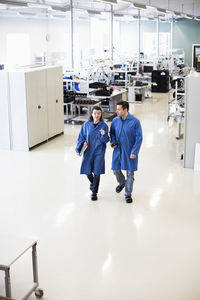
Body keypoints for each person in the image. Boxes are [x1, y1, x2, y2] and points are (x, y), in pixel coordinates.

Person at [110, 101, 143, 203]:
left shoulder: (135, 121)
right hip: (118, 150)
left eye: (119, 109)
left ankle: (128, 194)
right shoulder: (115, 121)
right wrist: (113, 142)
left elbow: (139, 138)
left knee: (130, 174)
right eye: (117, 109)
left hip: (130, 151)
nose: (117, 111)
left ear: (125, 110)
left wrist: (134, 151)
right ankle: (121, 183)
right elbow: (112, 133)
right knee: (115, 170)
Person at [75, 106, 109, 201]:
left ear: (101, 114)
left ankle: (94, 192)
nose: (97, 115)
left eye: (99, 113)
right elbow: (81, 137)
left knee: (97, 172)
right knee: (87, 171)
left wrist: (103, 135)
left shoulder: (104, 126)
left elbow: (106, 140)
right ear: (91, 114)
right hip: (88, 151)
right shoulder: (86, 125)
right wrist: (78, 149)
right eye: (95, 113)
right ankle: (93, 183)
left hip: (99, 151)